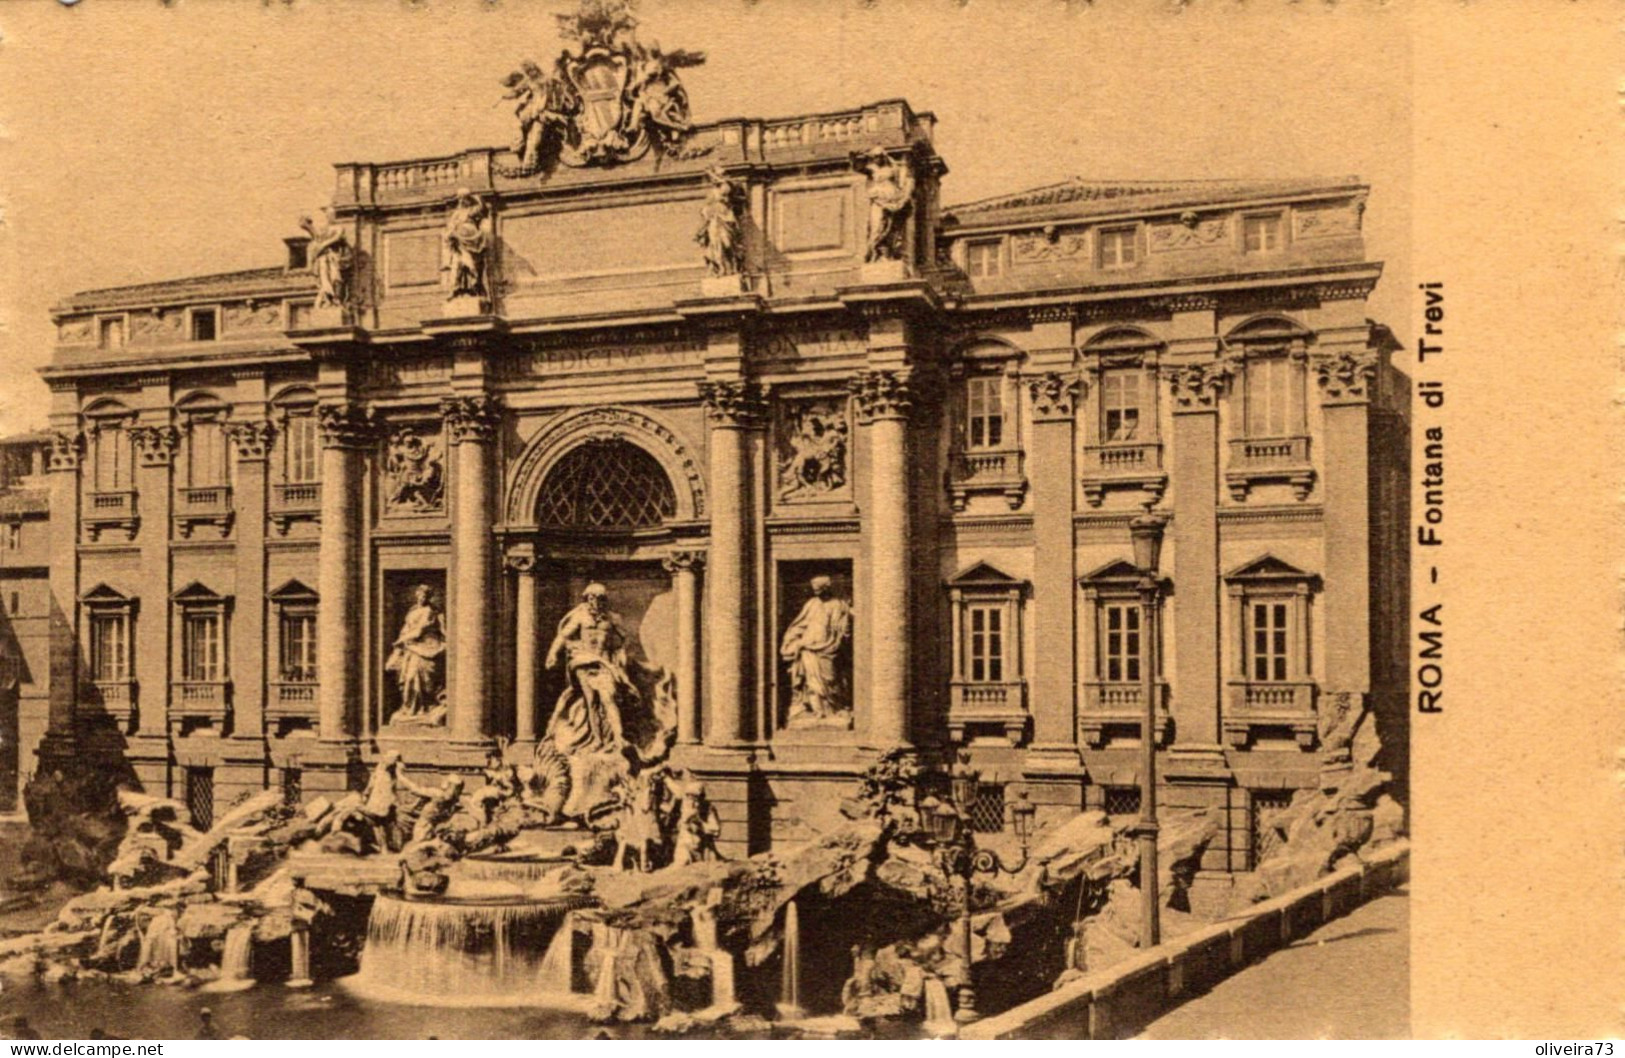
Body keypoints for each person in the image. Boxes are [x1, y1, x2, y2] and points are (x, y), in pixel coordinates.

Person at [543, 584, 637, 757]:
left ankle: (619, 737)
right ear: (586, 599)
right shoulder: (580, 617)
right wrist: (552, 654)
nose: (596, 601)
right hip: (584, 662)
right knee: (591, 702)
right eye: (592, 597)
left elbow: (626, 639)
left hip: (604, 663)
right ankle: (598, 739)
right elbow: (563, 636)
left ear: (604, 600)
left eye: (600, 598)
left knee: (608, 697)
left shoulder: (613, 618)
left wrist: (620, 654)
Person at [780, 576, 853, 723]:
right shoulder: (812, 603)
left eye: (819, 589)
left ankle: (834, 709)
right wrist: (792, 640)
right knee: (810, 683)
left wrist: (840, 636)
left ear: (827, 588)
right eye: (814, 590)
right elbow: (799, 624)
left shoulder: (838, 605)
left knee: (830, 680)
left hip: (828, 649)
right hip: (808, 648)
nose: (816, 592)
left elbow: (844, 630)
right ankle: (817, 712)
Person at [385, 585, 446, 720]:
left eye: (425, 596)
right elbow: (406, 628)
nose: (422, 598)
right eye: (420, 595)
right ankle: (409, 708)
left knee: (417, 677)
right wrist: (401, 643)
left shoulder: (429, 611)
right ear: (416, 595)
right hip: (411, 647)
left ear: (429, 597)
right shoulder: (412, 611)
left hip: (426, 647)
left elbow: (419, 631)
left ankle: (424, 708)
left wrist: (401, 641)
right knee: (407, 677)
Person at [358, 752, 432, 853]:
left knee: (380, 825)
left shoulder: (385, 772)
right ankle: (384, 848)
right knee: (379, 825)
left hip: (382, 803)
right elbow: (373, 786)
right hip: (379, 803)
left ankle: (385, 847)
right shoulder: (382, 772)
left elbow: (380, 787)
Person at [441, 189, 490, 301]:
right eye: (460, 198)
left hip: (472, 239)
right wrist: (450, 234)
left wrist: (475, 196)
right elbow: (450, 226)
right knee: (459, 264)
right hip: (459, 240)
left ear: (469, 200)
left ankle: (474, 287)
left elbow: (482, 208)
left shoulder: (471, 210)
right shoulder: (457, 213)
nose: (462, 201)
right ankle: (456, 289)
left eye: (465, 198)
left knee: (472, 264)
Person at [299, 210, 351, 310]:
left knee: (336, 277)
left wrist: (323, 244)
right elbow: (310, 230)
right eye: (329, 215)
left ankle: (336, 299)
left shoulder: (339, 228)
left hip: (334, 257)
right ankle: (328, 300)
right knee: (324, 279)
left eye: (333, 214)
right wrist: (306, 222)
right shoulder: (323, 229)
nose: (331, 216)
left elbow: (337, 237)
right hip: (323, 258)